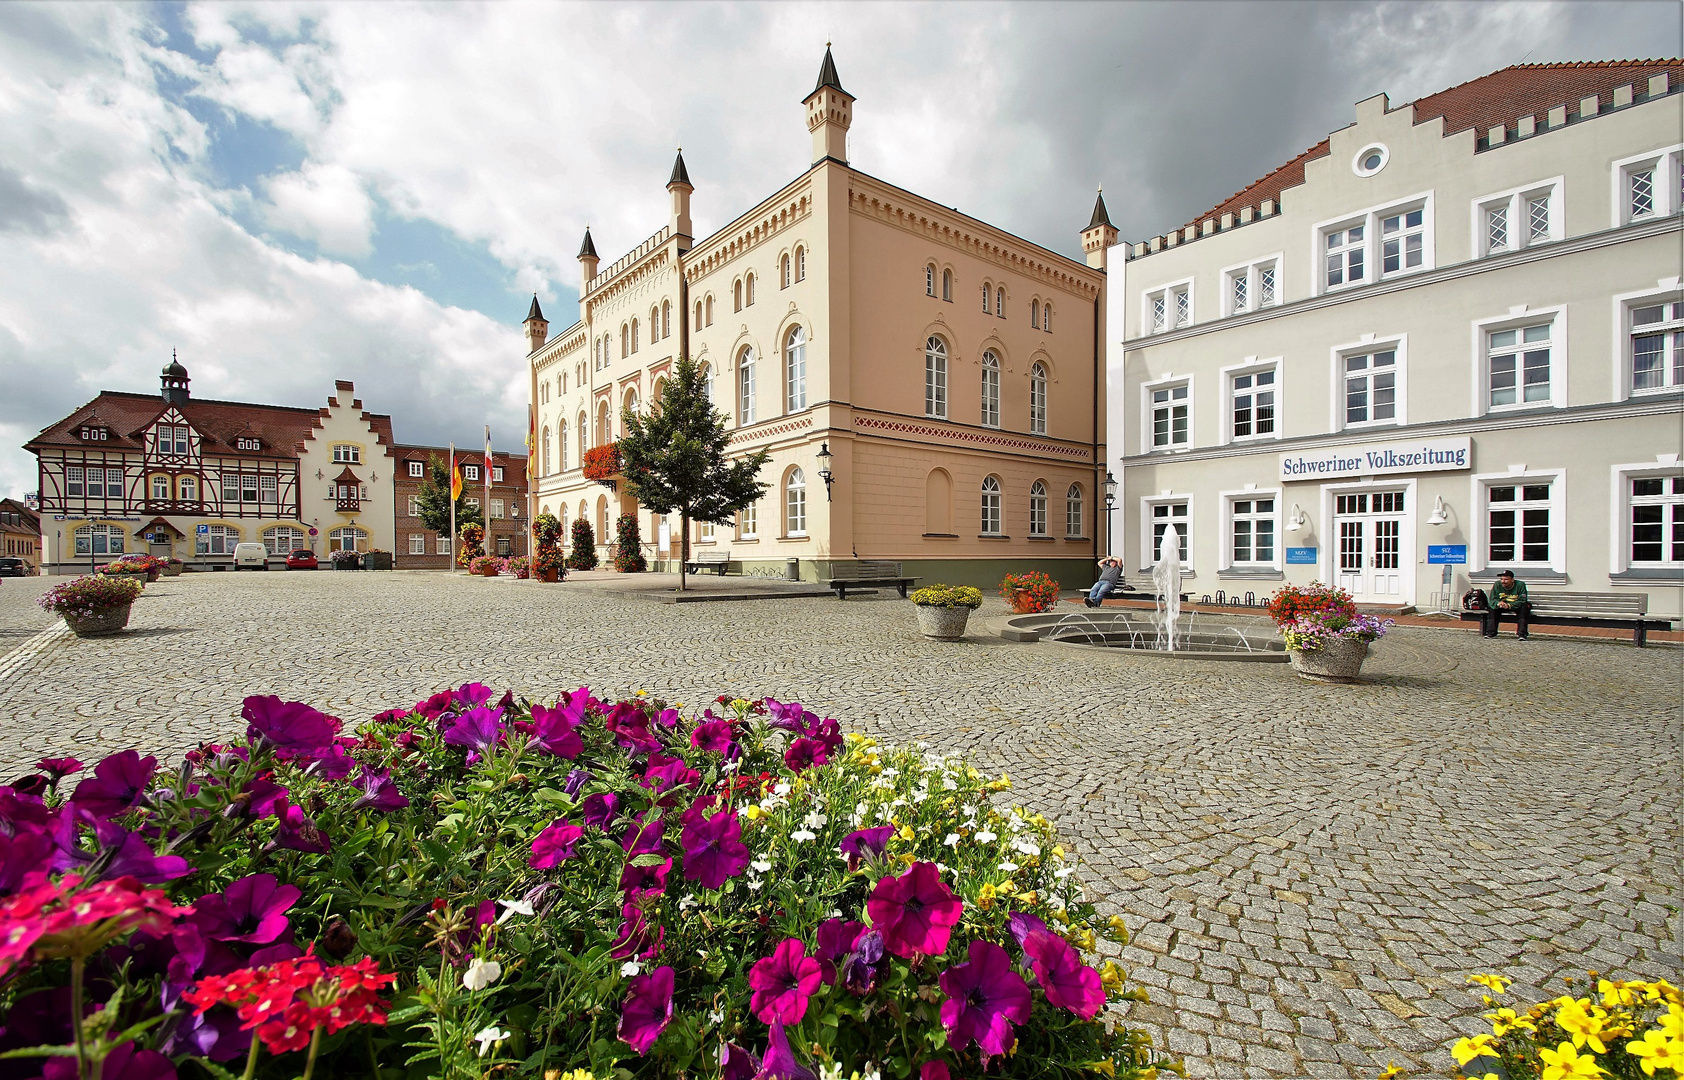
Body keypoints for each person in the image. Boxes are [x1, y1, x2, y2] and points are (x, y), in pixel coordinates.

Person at [1482, 570, 1531, 639]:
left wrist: (1510, 605)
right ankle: (1491, 632)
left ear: (1512, 580)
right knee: (1492, 609)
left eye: (1506, 579)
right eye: (1501, 579)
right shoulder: (1497, 584)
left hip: (1515, 605)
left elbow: (1522, 600)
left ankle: (1522, 634)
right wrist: (1498, 603)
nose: (1503, 581)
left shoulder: (1520, 585)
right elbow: (1493, 599)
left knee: (1524, 609)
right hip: (1502, 605)